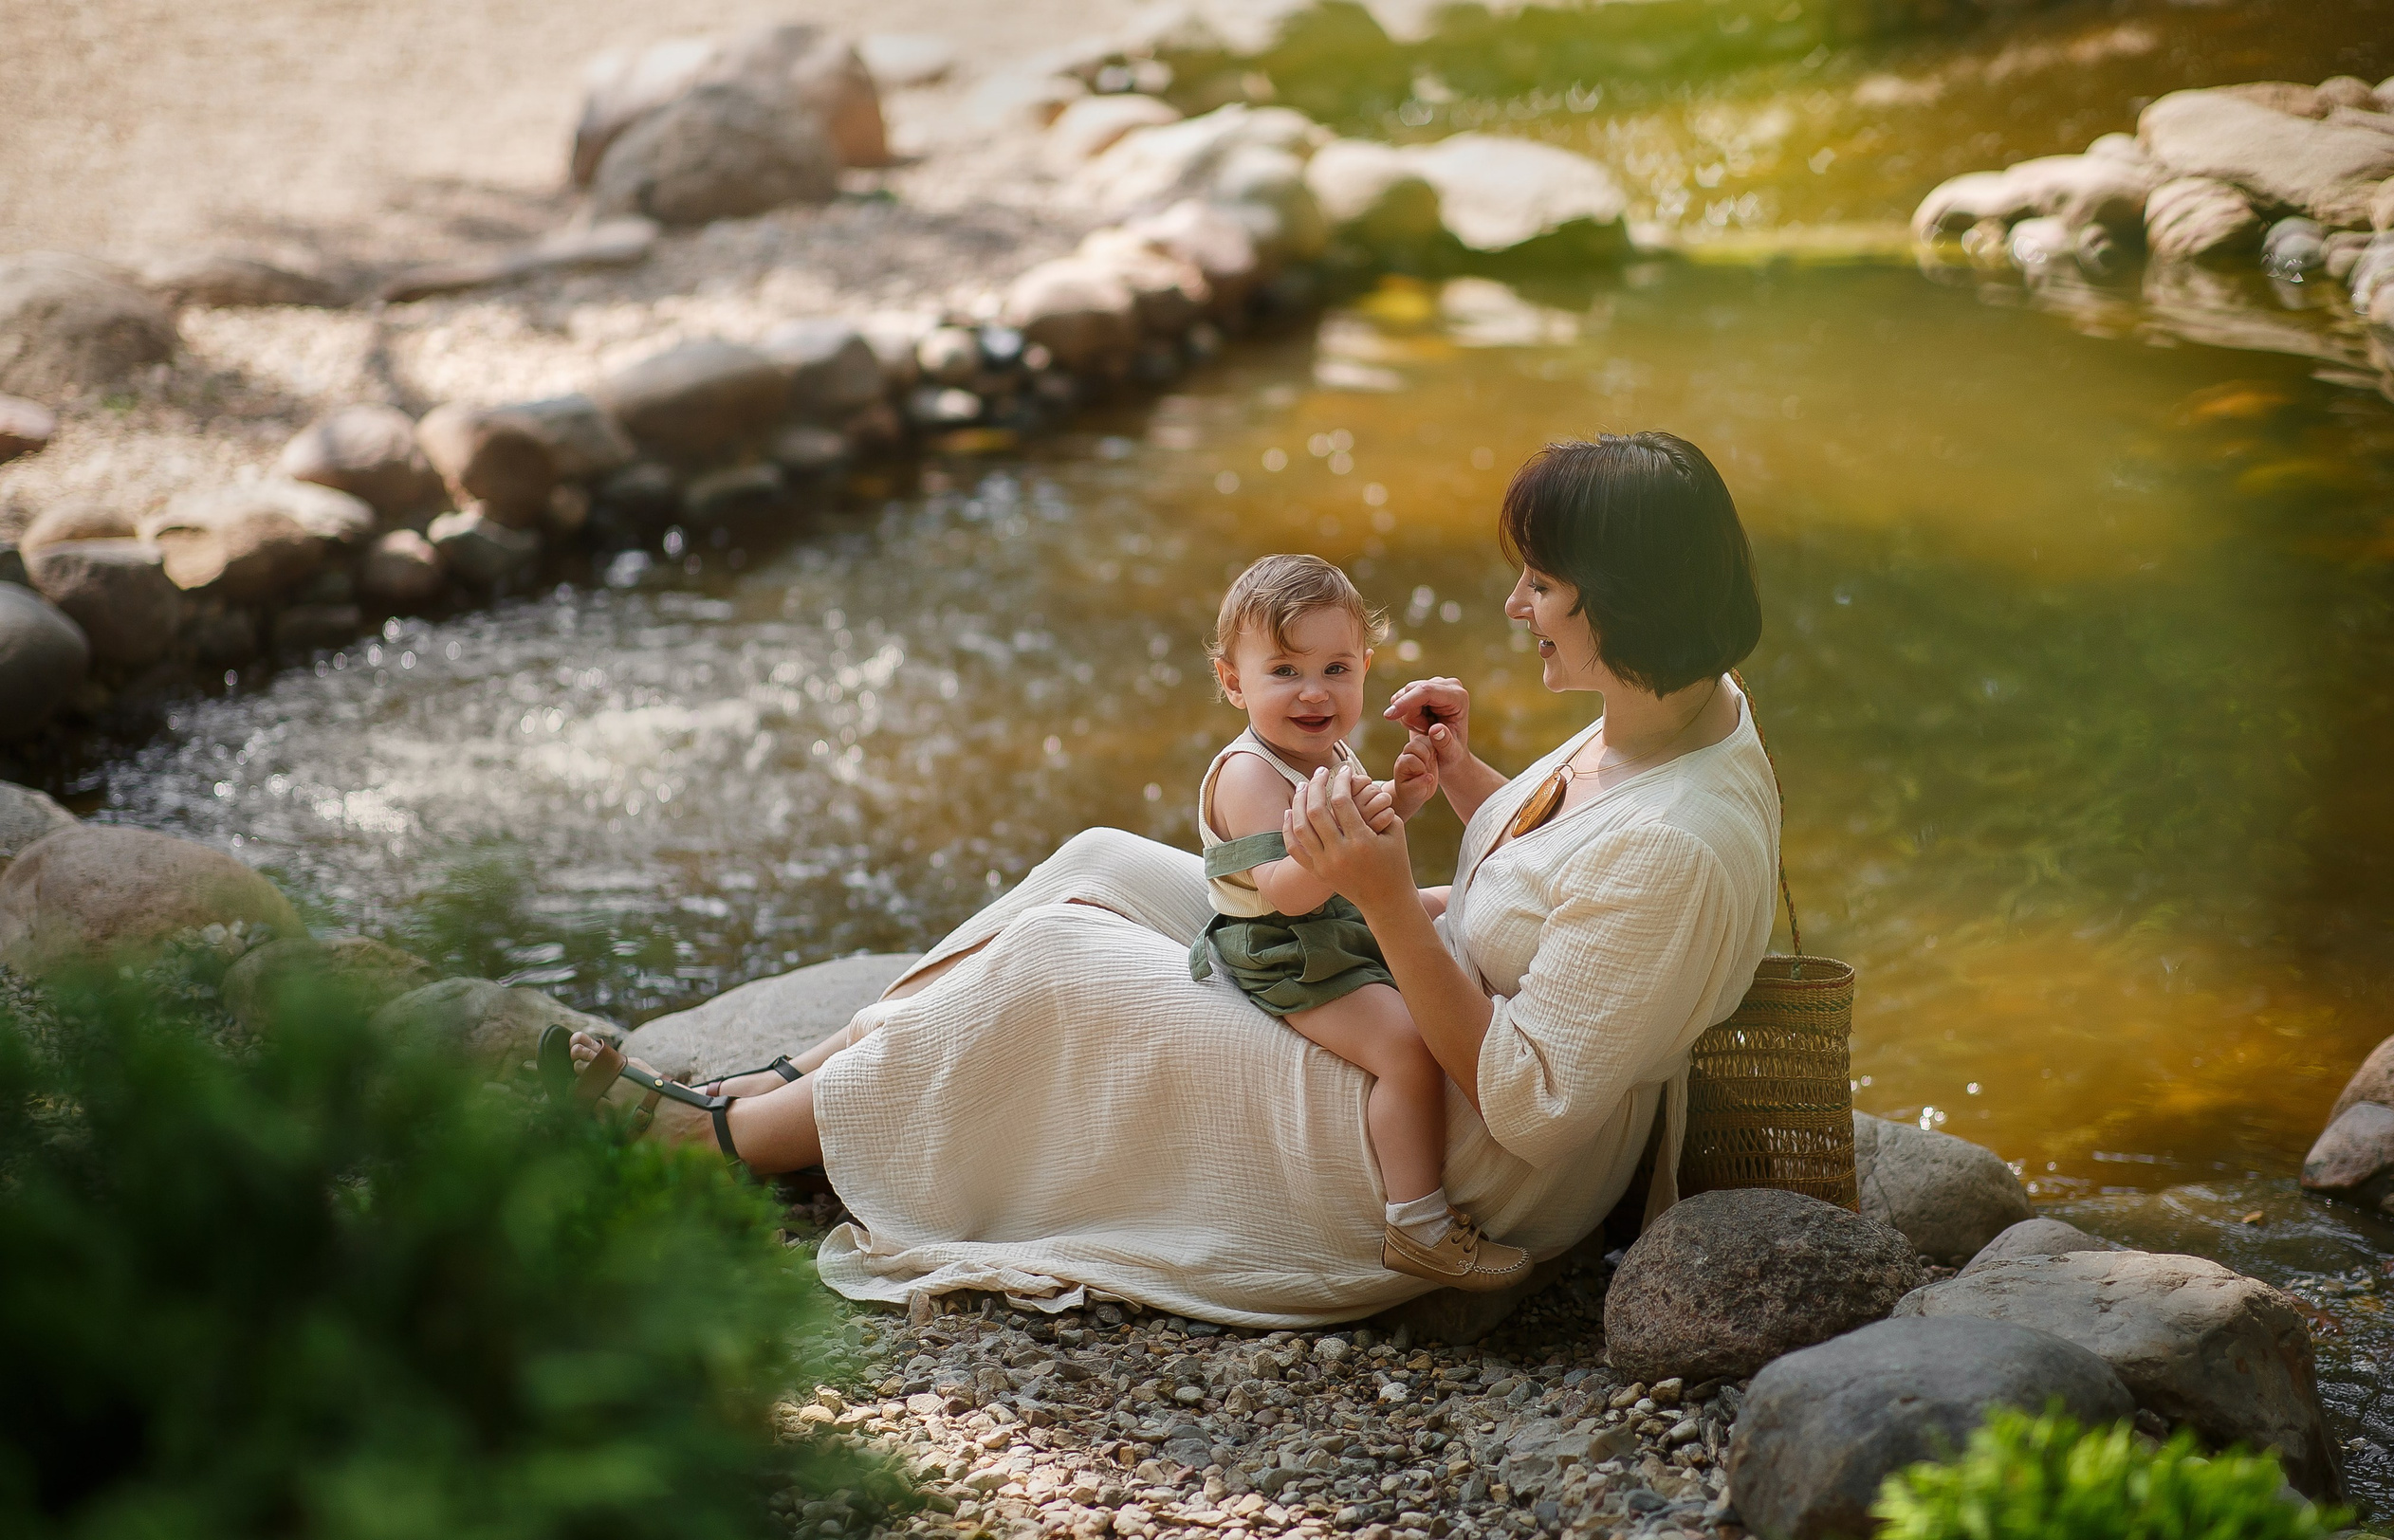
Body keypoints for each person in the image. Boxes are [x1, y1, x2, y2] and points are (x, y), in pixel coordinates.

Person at [553, 430, 1779, 1329]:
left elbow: (1536, 1101)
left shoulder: (1676, 841)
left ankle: (737, 1134)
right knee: (1097, 859)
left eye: (1544, 584)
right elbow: (1550, 864)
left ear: (1622, 601)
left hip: (1453, 1156)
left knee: (1060, 956)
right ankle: (812, 1069)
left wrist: (1394, 900)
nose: (1517, 606)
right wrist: (1465, 775)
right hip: (1417, 991)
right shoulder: (1667, 708)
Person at [1190, 553, 1531, 1292]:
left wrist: (1402, 800)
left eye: (1336, 668)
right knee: (1408, 1045)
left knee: (1452, 896)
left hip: (1335, 912)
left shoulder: (1327, 746)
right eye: (1283, 670)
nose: (1314, 692)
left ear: (1366, 668)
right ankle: (1418, 1225)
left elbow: (1353, 847)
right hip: (1287, 949)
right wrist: (1368, 827)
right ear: (1232, 681)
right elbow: (1286, 888)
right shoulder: (1247, 773)